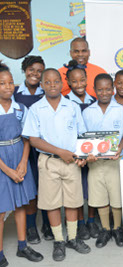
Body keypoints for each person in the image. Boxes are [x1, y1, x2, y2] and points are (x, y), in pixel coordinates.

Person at [22, 68, 91, 261]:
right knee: (51, 203)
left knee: (73, 201)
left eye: (56, 81)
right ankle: (59, 240)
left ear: (63, 84)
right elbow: (34, 139)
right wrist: (60, 151)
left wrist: (83, 155)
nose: (52, 85)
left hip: (71, 162)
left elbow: (81, 135)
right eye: (48, 82)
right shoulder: (36, 109)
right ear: (42, 85)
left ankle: (73, 238)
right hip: (49, 162)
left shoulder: (72, 107)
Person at [0, 62, 44, 266]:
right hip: (2, 161)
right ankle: (0, 253)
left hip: (19, 154)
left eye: (10, 82)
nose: (8, 87)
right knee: (1, 210)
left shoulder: (20, 108)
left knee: (21, 205)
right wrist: (7, 170)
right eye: (2, 83)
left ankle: (22, 245)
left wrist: (24, 162)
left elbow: (27, 137)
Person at [83, 74, 123, 248]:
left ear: (113, 90)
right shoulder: (87, 112)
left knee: (116, 196)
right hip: (95, 162)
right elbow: (84, 138)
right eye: (100, 89)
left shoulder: (121, 110)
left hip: (115, 160)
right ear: (94, 90)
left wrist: (119, 148)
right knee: (99, 196)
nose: (104, 93)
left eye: (108, 89)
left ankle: (117, 228)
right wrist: (87, 154)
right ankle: (105, 229)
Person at [13, 56, 53, 244]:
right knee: (30, 189)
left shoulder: (47, 91)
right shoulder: (13, 92)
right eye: (31, 69)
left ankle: (47, 224)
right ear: (24, 69)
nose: (35, 74)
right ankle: (31, 227)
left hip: (43, 146)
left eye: (39, 71)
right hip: (22, 149)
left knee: (46, 186)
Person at [63, 60, 99, 241]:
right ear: (68, 83)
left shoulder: (94, 101)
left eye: (82, 80)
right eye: (74, 81)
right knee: (76, 190)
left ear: (87, 80)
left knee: (90, 187)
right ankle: (79, 222)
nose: (79, 84)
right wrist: (79, 153)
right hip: (74, 154)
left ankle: (91, 220)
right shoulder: (66, 102)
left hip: (91, 154)